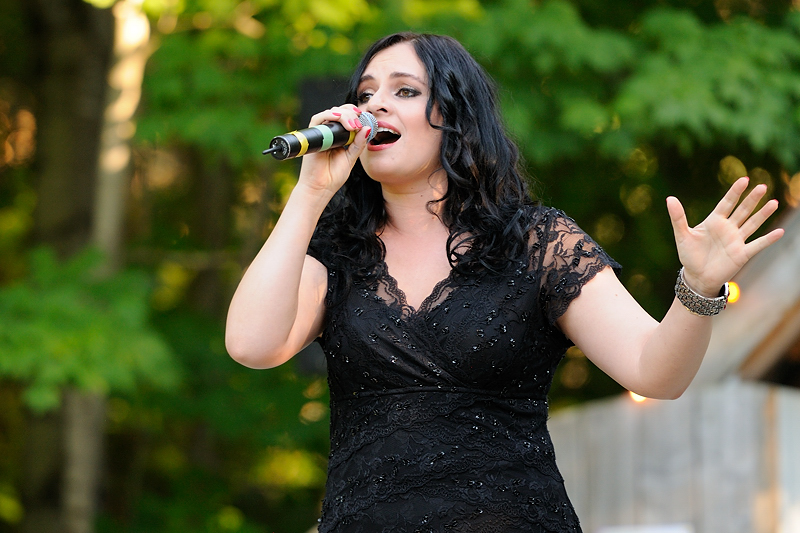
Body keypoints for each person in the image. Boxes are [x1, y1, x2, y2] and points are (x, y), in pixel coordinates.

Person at [225, 32, 784, 532]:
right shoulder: (335, 252)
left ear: (456, 115)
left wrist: (698, 287)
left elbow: (655, 373)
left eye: (404, 91)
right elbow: (251, 345)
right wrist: (311, 193)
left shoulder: (536, 243)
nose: (374, 105)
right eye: (366, 93)